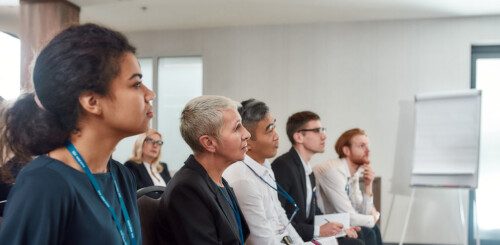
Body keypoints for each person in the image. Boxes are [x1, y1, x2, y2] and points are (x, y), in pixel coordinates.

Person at [0, 23, 155, 244]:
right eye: (136, 84)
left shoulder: (121, 176)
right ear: (92, 101)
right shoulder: (45, 183)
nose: (150, 93)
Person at [157, 95, 251, 245]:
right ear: (209, 143)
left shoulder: (218, 181)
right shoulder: (187, 190)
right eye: (237, 127)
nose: (247, 134)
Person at [272, 111, 363, 245]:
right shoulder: (284, 166)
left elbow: (314, 213)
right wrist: (319, 231)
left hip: (307, 232)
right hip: (294, 238)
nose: (324, 136)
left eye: (323, 130)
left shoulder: (307, 169)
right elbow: (280, 220)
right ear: (299, 137)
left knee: (357, 234)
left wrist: (340, 228)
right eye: (317, 131)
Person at [223, 99, 304, 244]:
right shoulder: (243, 179)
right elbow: (262, 241)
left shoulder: (264, 164)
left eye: (274, 126)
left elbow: (280, 215)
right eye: (269, 129)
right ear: (248, 140)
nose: (277, 136)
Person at [313, 128, 382, 245]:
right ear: (346, 150)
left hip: (336, 221)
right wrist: (373, 218)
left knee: (373, 229)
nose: (368, 150)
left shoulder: (352, 173)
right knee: (369, 230)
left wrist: (368, 185)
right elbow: (349, 216)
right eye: (361, 146)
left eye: (368, 145)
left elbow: (362, 212)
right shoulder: (333, 171)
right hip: (320, 225)